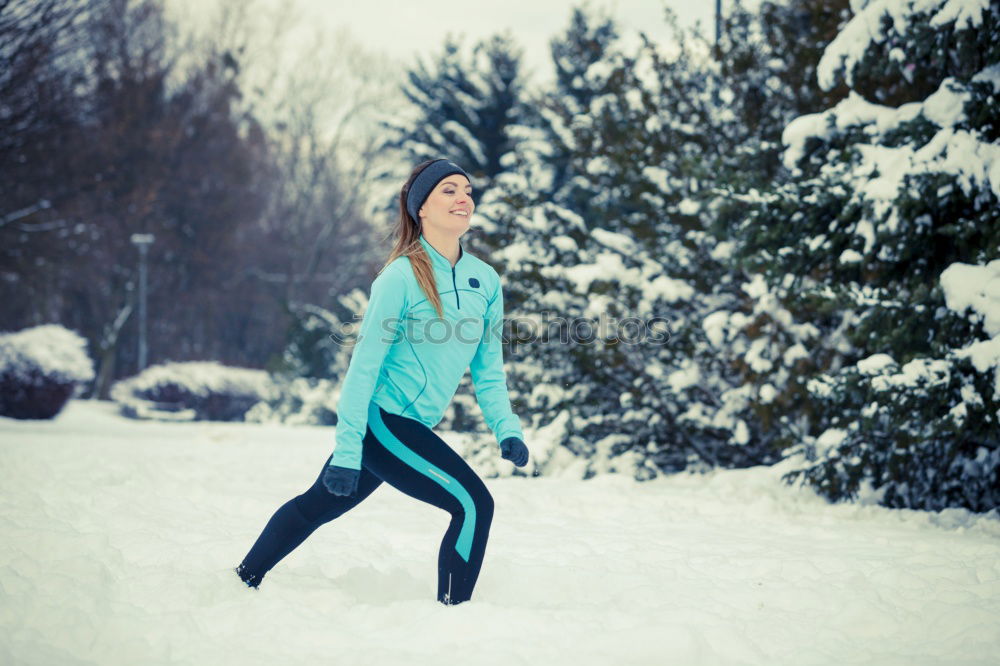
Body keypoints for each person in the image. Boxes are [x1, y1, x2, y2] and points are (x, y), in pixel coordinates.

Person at [235, 158, 529, 606]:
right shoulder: (401, 276)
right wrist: (349, 452)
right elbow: (363, 369)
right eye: (448, 190)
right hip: (384, 421)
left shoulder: (484, 279)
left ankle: (242, 578)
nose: (463, 197)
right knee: (473, 505)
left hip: (410, 426)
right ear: (421, 208)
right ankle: (455, 617)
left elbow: (488, 368)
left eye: (467, 190)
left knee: (318, 505)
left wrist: (506, 428)